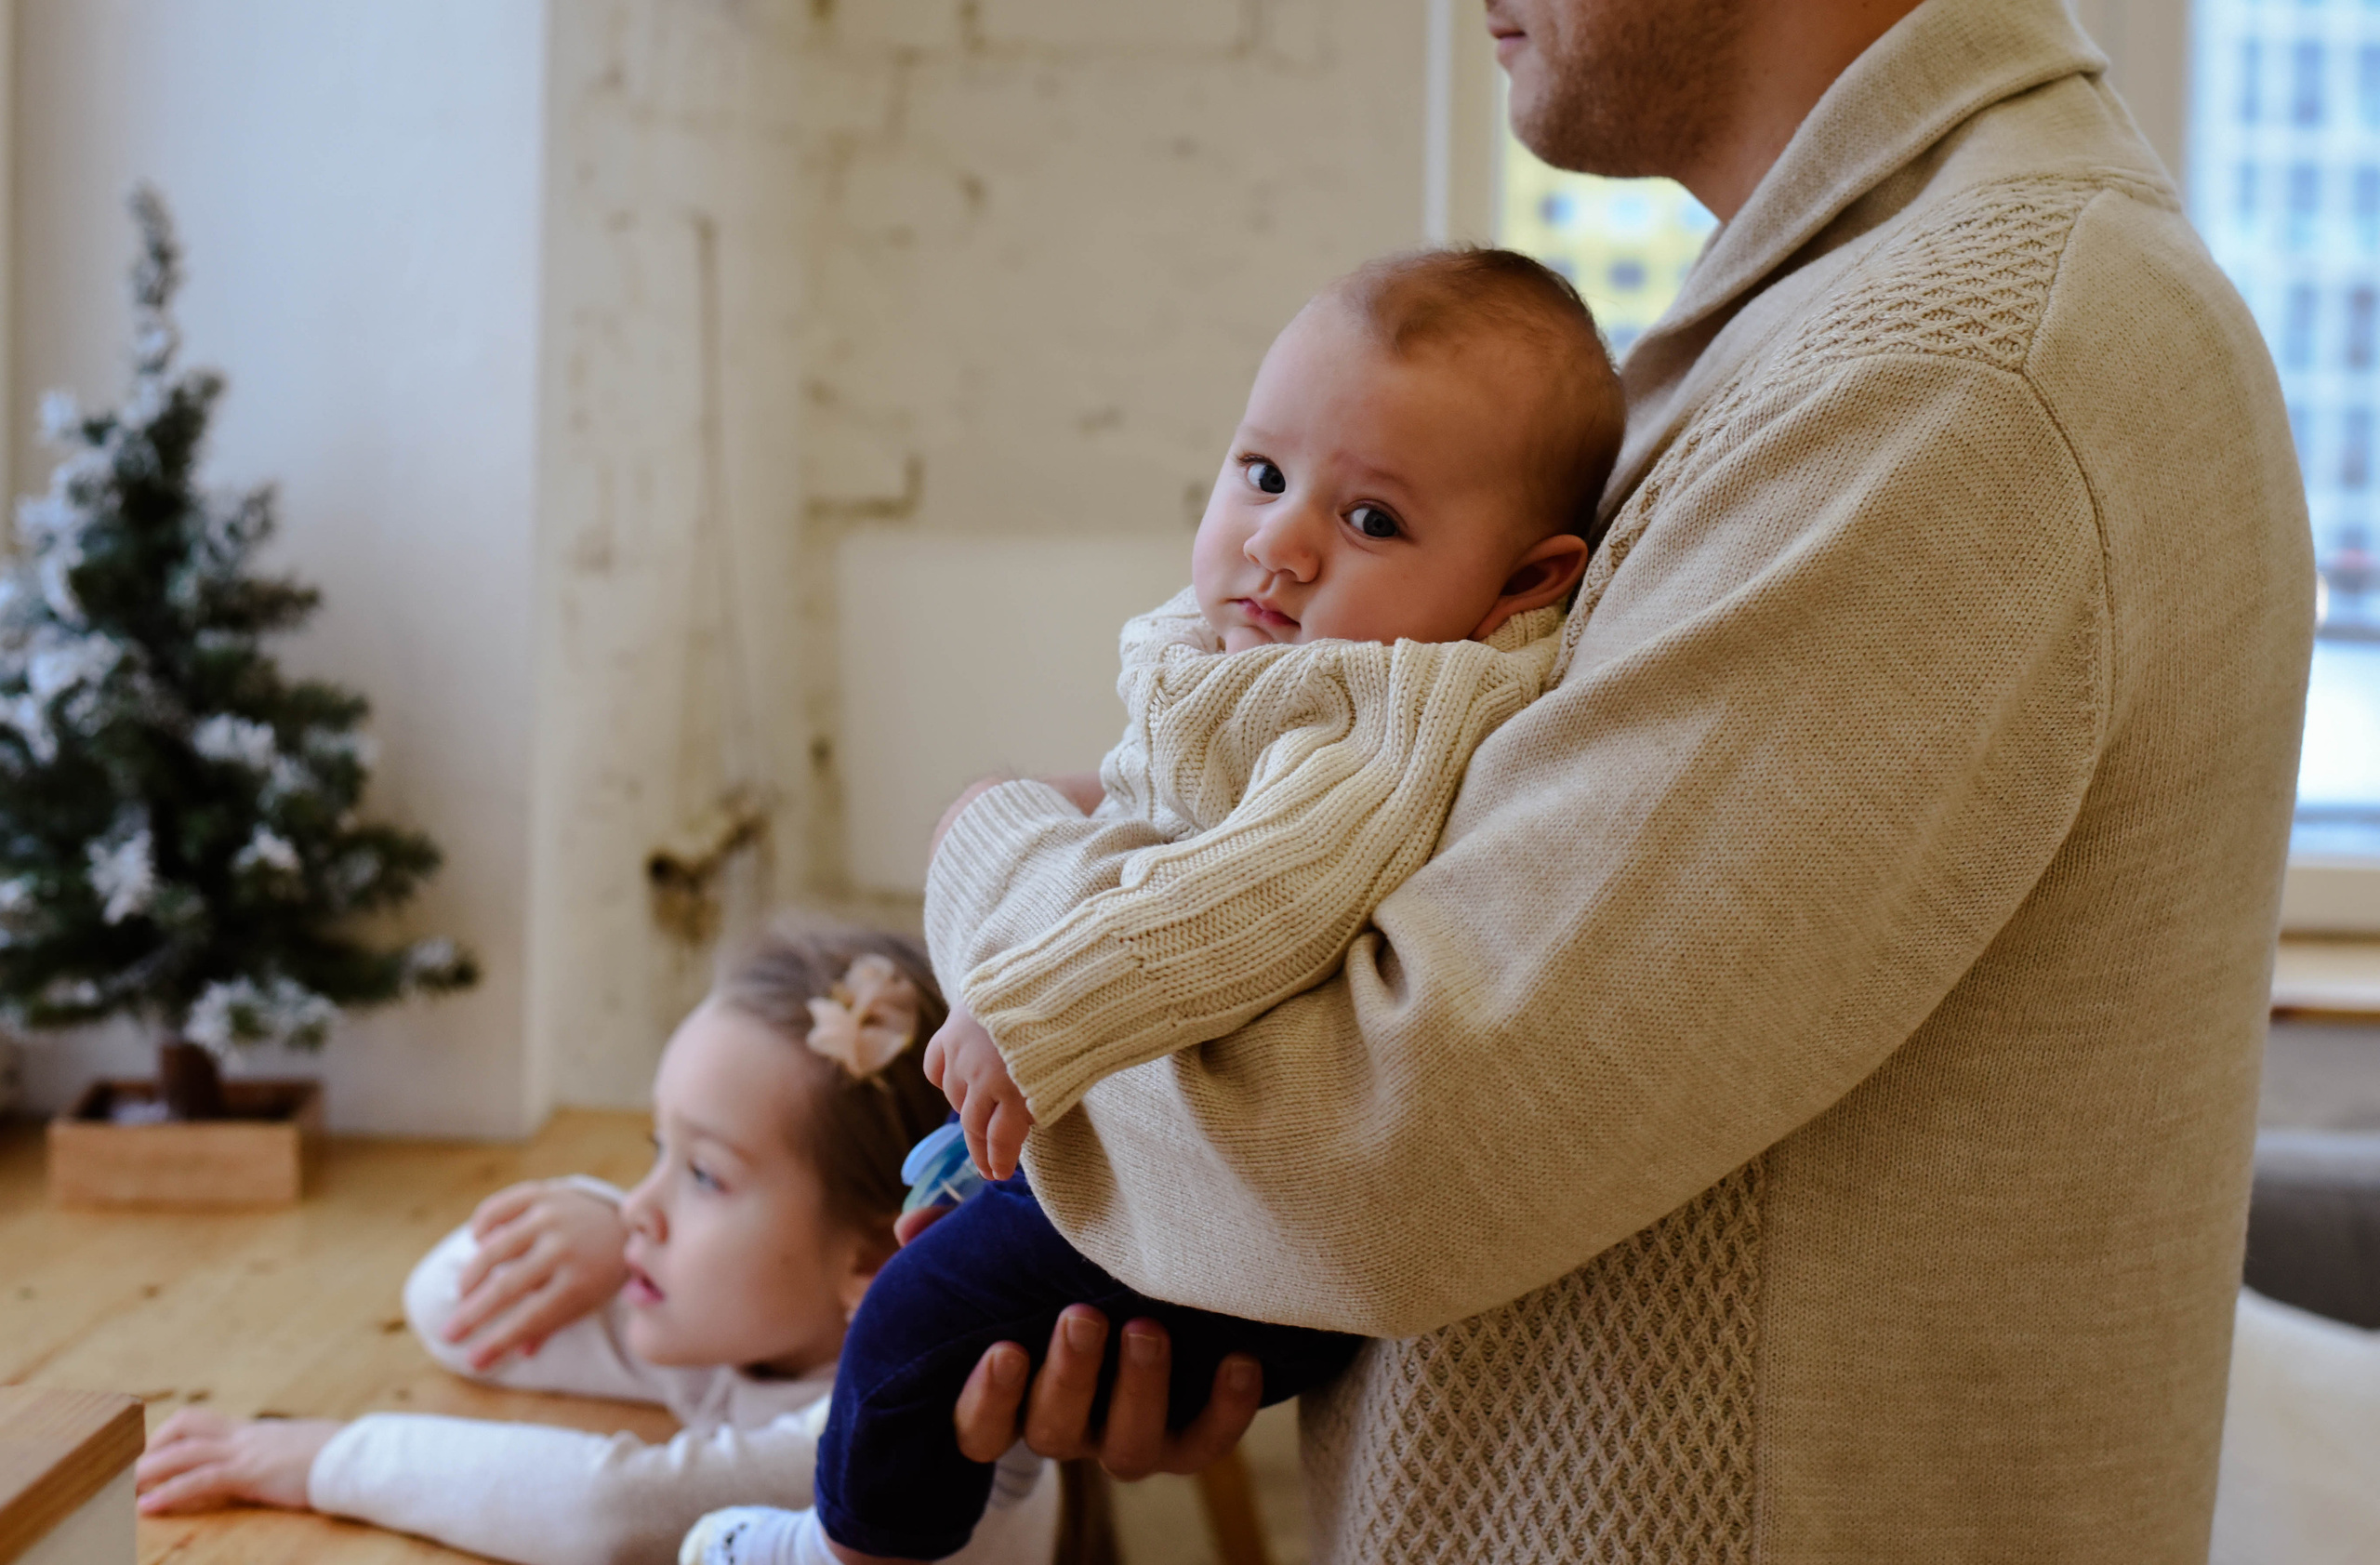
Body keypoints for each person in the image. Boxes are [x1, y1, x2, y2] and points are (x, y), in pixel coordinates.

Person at [919, 0, 2316, 1560]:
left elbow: (1394, 1146)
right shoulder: (1835, 331)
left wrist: (995, 852)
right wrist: (1204, 1275)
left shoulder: (1957, 371)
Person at [681, 248, 1625, 1565]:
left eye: (1373, 522)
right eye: (1263, 472)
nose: (1282, 542)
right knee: (951, 1302)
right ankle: (932, 1511)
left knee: (907, 1317)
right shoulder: (1290, 648)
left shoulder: (1394, 710)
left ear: (1526, 580)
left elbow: (1257, 893)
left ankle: (848, 1554)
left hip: (1257, 1241)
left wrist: (1042, 1004)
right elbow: (1155, 811)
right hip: (1175, 1142)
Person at [135, 927, 1060, 1565]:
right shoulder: (756, 1329)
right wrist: (597, 1220)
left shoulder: (920, 1412)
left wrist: (320, 1461)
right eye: (656, 1153)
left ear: (872, 1259)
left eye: (704, 1176)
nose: (641, 1212)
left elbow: (612, 1515)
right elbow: (449, 1308)